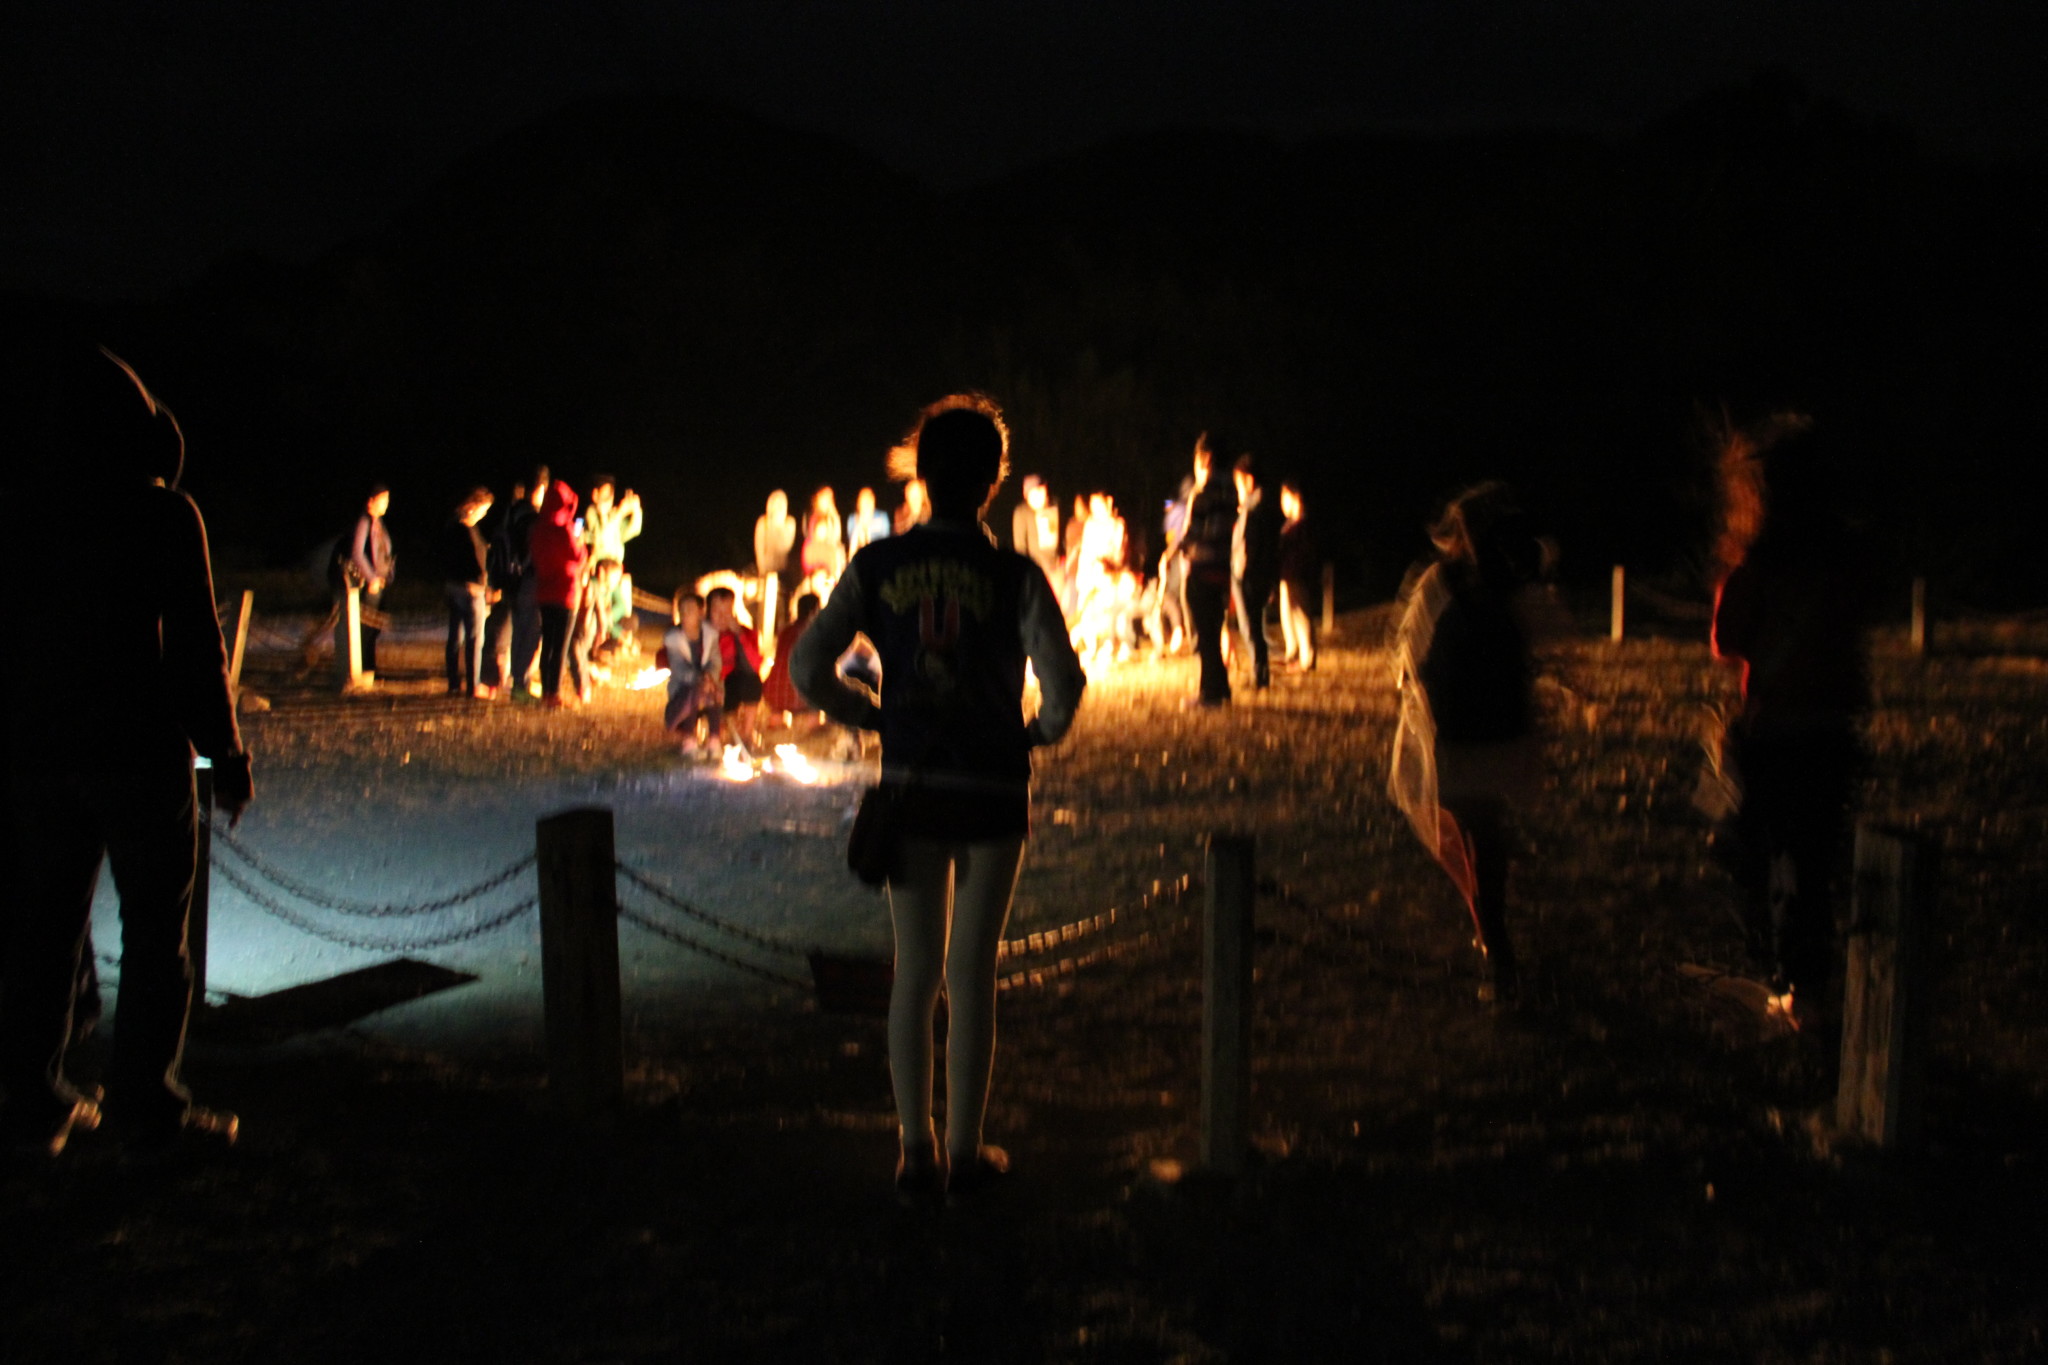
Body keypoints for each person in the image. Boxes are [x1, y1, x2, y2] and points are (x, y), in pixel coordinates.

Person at [791, 395, 1086, 1204]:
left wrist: (869, 712)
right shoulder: (1016, 575)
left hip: (912, 784)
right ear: (994, 481)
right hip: (992, 786)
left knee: (915, 970)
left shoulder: (877, 565)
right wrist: (1035, 732)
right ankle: (965, 1151)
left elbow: (807, 666)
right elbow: (1063, 684)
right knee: (972, 972)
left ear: (920, 475)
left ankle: (913, 1151)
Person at [4, 343, 252, 1156]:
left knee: (44, 928)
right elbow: (196, 646)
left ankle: (32, 1098)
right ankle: (145, 1100)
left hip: (42, 748)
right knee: (154, 934)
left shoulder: (27, 513)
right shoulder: (163, 514)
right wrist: (225, 754)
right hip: (137, 748)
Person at [1709, 417, 1874, 1022]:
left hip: (1777, 729)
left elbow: (1726, 641)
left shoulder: (1759, 564)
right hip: (1832, 726)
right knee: (1814, 856)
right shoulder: (1846, 560)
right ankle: (1810, 977)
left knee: (1770, 854)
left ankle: (1792, 982)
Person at [1388, 482, 1546, 1001]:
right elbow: (1541, 642)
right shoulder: (1510, 582)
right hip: (1502, 733)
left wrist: (1414, 697)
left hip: (1457, 733)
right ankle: (1494, 935)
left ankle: (1495, 945)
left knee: (1466, 833)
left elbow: (1411, 652)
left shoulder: (1442, 581)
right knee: (1487, 836)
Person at [1180, 434, 1239, 706]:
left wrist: (1182, 547)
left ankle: (1210, 692)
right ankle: (1221, 687)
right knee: (1214, 630)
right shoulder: (1232, 490)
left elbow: (1191, 535)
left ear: (1206, 458)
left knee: (1206, 635)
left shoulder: (1203, 493)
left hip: (1203, 568)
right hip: (1223, 568)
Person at [482, 467, 547, 698]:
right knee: (528, 633)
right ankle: (520, 684)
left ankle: (509, 681)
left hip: (508, 581)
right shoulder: (533, 519)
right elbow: (534, 553)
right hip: (526, 582)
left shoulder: (510, 514)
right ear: (540, 489)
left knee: (514, 632)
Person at [529, 478, 588, 708]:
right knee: (561, 647)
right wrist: (580, 540)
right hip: (565, 593)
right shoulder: (565, 529)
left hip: (544, 593)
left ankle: (547, 691)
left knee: (548, 644)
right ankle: (554, 693)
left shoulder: (538, 528)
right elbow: (577, 556)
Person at [1231, 453, 1285, 689]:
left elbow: (1249, 543)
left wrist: (1242, 569)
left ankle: (1259, 675)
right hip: (1258, 573)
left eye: (1239, 484)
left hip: (1249, 574)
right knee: (1253, 625)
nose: (1238, 490)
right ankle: (1260, 673)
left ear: (1249, 480)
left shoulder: (1254, 508)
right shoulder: (1261, 505)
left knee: (1250, 626)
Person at [333, 484, 395, 687]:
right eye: (383, 500)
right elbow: (357, 553)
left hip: (379, 582)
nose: (386, 503)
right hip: (369, 584)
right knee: (365, 628)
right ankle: (363, 669)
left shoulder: (378, 523)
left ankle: (370, 668)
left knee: (373, 629)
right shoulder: (364, 522)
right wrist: (371, 578)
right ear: (370, 501)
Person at [439, 486, 494, 697]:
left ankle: (454, 682)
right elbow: (477, 564)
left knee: (455, 637)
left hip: (454, 588)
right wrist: (486, 585)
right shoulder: (467, 531)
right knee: (475, 639)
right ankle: (474, 684)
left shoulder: (451, 527)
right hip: (472, 591)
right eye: (483, 509)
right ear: (472, 506)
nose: (484, 514)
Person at [661, 590, 724, 758]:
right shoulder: (673, 639)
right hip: (683, 689)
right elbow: (679, 669)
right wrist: (699, 679)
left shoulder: (710, 635)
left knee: (713, 690)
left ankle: (714, 740)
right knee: (696, 690)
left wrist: (709, 676)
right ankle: (689, 742)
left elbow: (715, 661)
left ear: (700, 612)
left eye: (690, 609)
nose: (685, 614)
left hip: (707, 686)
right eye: (682, 610)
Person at [706, 585, 764, 753]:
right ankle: (717, 731)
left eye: (727, 611)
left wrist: (740, 636)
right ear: (708, 611)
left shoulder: (744, 633)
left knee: (752, 680)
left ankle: (746, 733)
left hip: (732, 684)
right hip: (709, 685)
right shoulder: (700, 633)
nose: (723, 617)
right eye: (717, 611)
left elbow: (754, 665)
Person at [762, 591, 822, 725]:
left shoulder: (786, 631)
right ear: (814, 611)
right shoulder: (813, 632)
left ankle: (776, 725)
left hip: (774, 690)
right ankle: (813, 727)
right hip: (798, 693)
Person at [1277, 480, 1317, 671]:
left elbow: (1305, 552)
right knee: (1288, 614)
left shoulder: (1302, 523)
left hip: (1297, 575)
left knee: (1301, 615)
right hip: (1286, 575)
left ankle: (1307, 659)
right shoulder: (1290, 523)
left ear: (1295, 497)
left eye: (1284, 498)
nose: (1282, 503)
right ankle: (1292, 653)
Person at [753, 489, 798, 636]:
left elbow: (785, 546)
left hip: (783, 571)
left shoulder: (789, 523)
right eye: (775, 502)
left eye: (781, 503)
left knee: (782, 605)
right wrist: (762, 569)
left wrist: (777, 526)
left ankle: (782, 634)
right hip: (765, 570)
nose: (778, 506)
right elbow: (759, 547)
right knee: (765, 605)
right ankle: (762, 634)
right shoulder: (763, 523)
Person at [581, 475, 643, 567]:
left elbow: (634, 529)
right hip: (599, 566)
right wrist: (620, 512)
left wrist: (636, 509)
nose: (609, 499)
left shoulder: (612, 515)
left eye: (611, 494)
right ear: (595, 494)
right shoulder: (592, 512)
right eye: (606, 495)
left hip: (615, 567)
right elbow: (603, 538)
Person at [1010, 475, 1062, 585]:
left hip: (1057, 570)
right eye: (1034, 494)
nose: (1039, 497)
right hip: (1036, 574)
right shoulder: (1022, 512)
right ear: (1026, 495)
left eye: (1041, 491)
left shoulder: (1055, 505)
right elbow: (1020, 547)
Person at [847, 486, 890, 557]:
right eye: (863, 498)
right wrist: (859, 526)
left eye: (870, 497)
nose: (867, 502)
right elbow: (852, 547)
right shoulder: (852, 519)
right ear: (858, 502)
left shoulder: (882, 517)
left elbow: (885, 543)